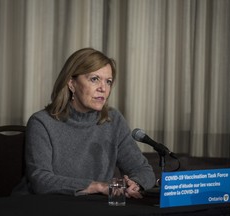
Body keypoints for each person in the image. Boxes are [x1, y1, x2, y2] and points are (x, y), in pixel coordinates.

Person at [12, 47, 156, 199]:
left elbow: (142, 169)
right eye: (94, 79)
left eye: (108, 82)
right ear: (71, 83)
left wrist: (136, 183)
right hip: (42, 206)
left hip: (92, 207)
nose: (103, 88)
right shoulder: (42, 122)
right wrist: (97, 186)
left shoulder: (113, 120)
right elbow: (41, 180)